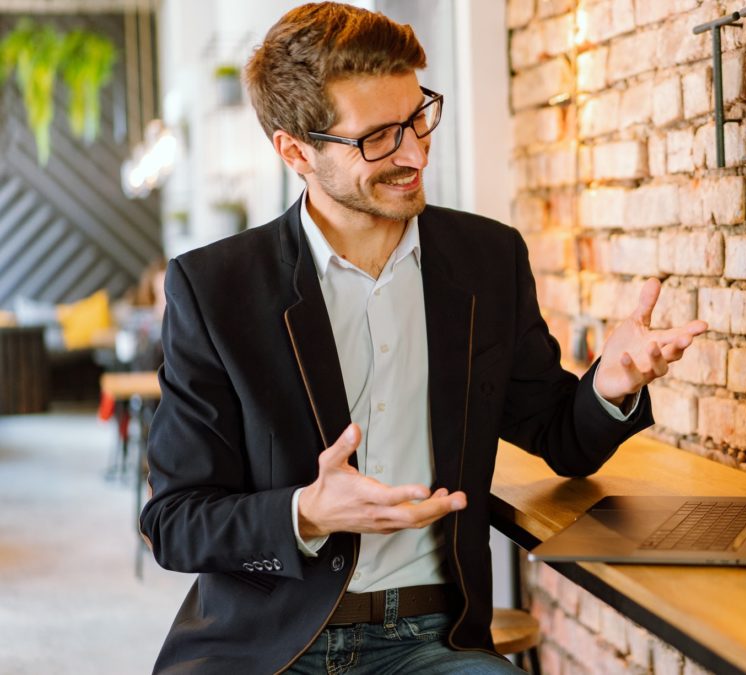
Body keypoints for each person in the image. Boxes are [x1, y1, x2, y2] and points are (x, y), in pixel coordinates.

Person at [139, 3, 706, 673]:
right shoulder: (215, 288)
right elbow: (174, 521)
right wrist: (307, 513)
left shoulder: (487, 260)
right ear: (295, 150)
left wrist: (609, 385)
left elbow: (557, 434)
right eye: (377, 137)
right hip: (266, 646)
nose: (412, 152)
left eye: (417, 118)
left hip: (432, 640)